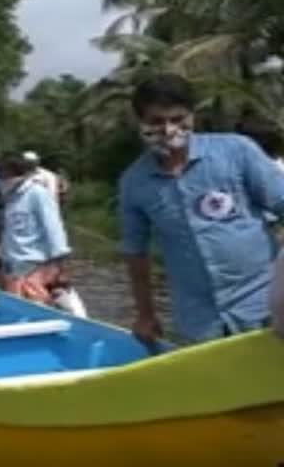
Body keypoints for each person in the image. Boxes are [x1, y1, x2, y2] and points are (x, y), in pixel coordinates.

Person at [118, 73, 284, 345]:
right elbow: (136, 253)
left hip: (265, 305)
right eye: (156, 122)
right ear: (141, 123)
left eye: (178, 119)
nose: (169, 130)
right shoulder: (134, 183)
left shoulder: (236, 152)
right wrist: (145, 314)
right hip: (200, 321)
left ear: (192, 117)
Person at [0, 152, 73, 305]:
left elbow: (54, 228)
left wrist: (61, 266)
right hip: (12, 262)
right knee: (15, 305)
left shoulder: (37, 193)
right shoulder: (10, 196)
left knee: (35, 304)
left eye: (2, 173)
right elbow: (9, 231)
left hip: (33, 263)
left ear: (14, 172)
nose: (0, 178)